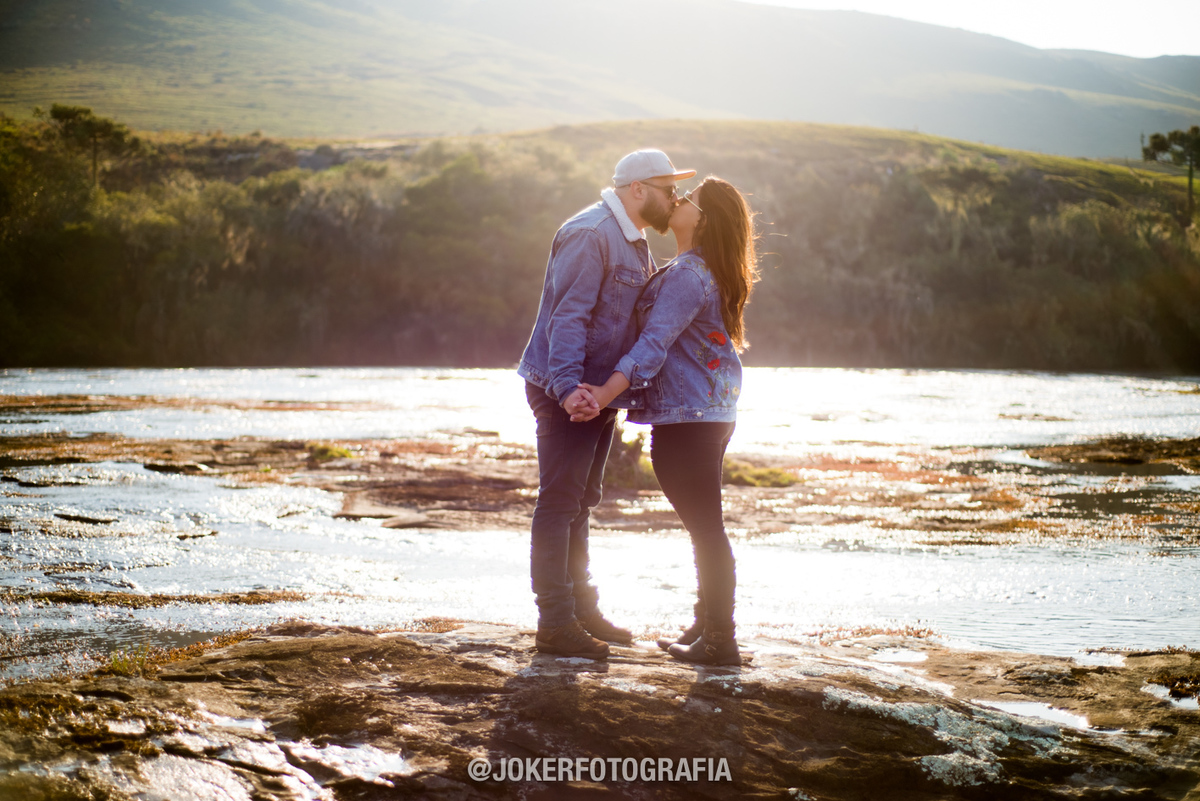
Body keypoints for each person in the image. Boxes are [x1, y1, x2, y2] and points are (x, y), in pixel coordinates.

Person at [517, 149, 696, 660]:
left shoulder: (633, 238)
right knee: (558, 503)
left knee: (583, 500)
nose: (675, 198)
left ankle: (582, 613)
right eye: (668, 189)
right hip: (567, 389)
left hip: (598, 393)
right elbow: (567, 317)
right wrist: (570, 387)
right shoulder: (591, 233)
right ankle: (555, 623)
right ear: (638, 189)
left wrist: (601, 394)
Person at [573, 177, 759, 666]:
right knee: (706, 527)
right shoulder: (686, 270)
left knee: (706, 529)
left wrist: (606, 392)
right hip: (703, 413)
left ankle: (721, 641)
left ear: (704, 219)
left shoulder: (688, 275)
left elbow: (653, 344)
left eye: (689, 198)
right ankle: (707, 627)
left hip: (691, 417)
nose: (677, 199)